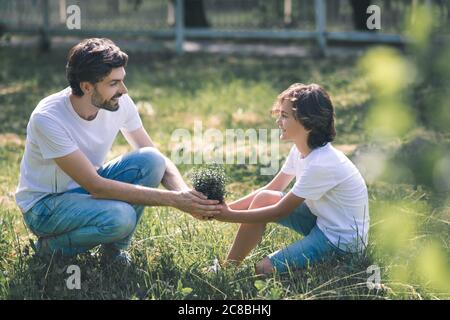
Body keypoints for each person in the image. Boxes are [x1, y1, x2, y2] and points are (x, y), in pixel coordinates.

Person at [15, 38, 221, 265]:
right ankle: (50, 249)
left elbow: (155, 157)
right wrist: (175, 200)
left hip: (85, 190)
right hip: (45, 206)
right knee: (122, 217)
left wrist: (187, 197)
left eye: (122, 81)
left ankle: (113, 253)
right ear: (86, 86)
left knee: (151, 159)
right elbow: (97, 186)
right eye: (114, 83)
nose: (123, 90)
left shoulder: (119, 103)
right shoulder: (48, 118)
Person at [215, 83, 370, 275]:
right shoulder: (300, 149)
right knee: (264, 197)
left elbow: (278, 212)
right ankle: (227, 268)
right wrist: (222, 209)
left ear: (308, 123)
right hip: (322, 221)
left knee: (263, 269)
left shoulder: (321, 164)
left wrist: (227, 216)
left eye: (285, 116)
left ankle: (333, 267)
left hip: (341, 242)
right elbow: (273, 188)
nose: (279, 121)